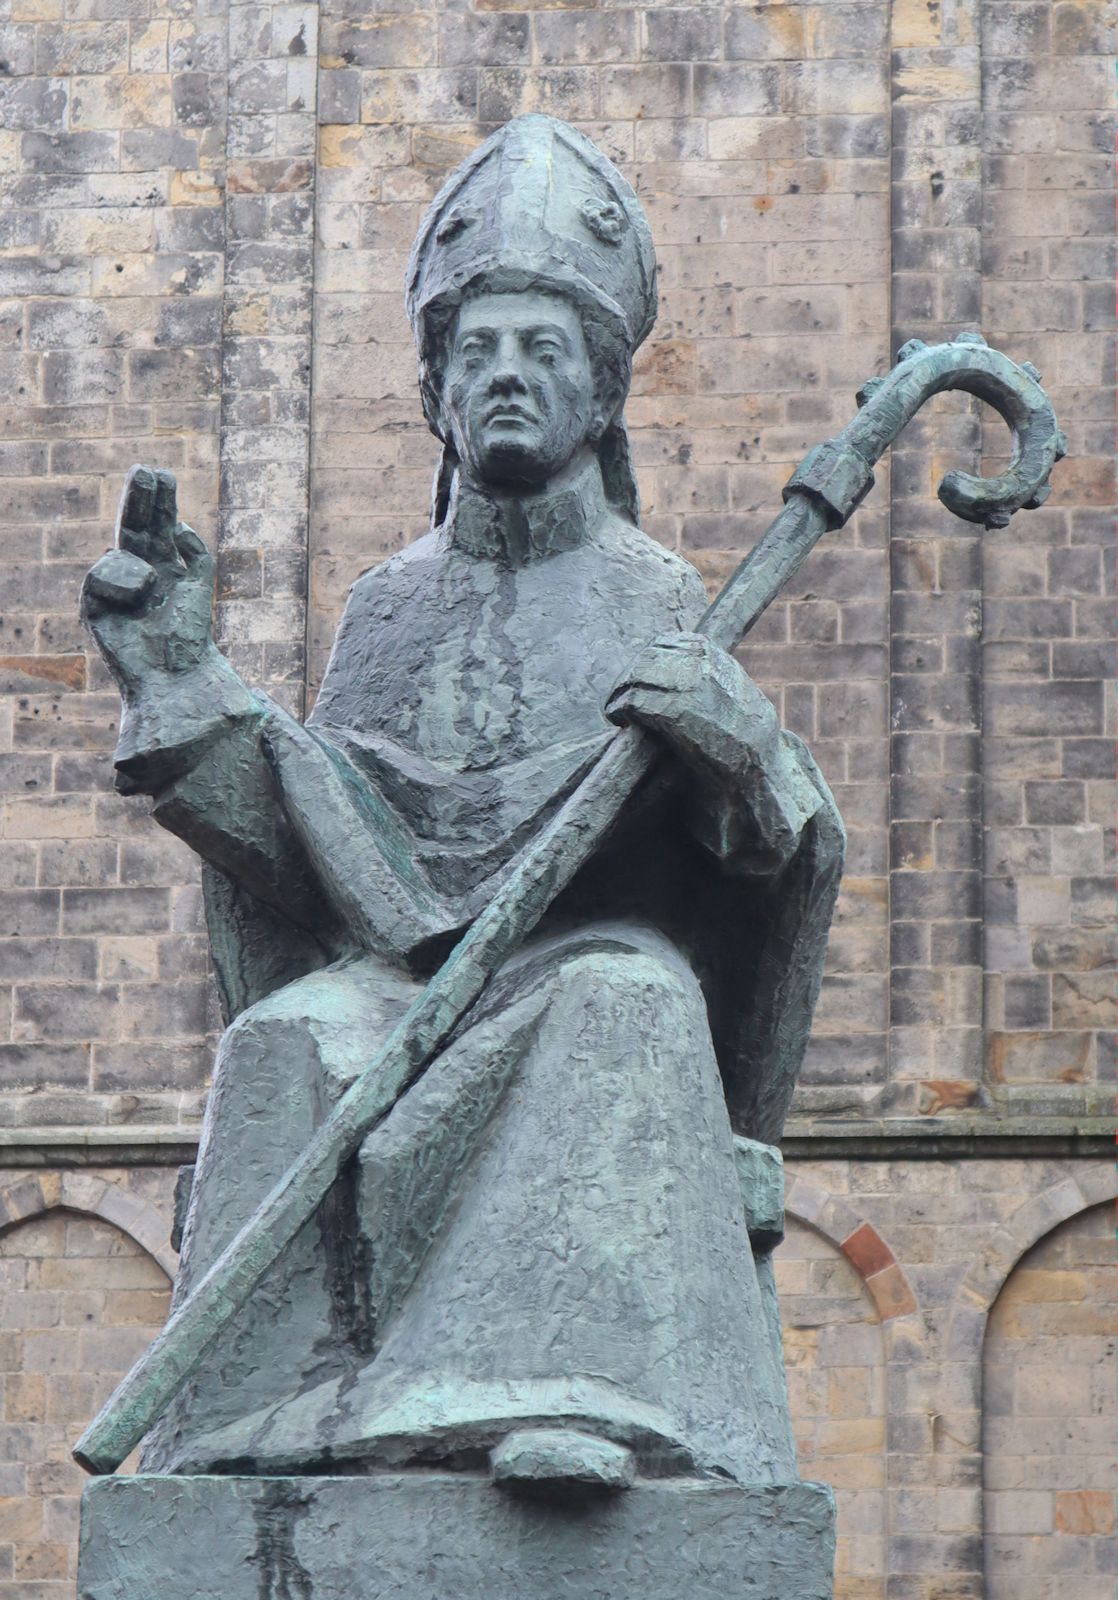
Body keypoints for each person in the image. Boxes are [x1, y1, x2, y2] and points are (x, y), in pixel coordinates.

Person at [81, 116, 843, 1494]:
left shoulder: (659, 594)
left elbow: (771, 852)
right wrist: (185, 689)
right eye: (473, 353)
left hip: (579, 966)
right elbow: (326, 848)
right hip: (401, 979)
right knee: (285, 1035)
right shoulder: (389, 604)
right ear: (432, 394)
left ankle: (565, 1392)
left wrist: (736, 756)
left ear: (601, 393)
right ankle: (261, 1416)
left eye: (541, 351)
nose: (503, 376)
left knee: (626, 999)